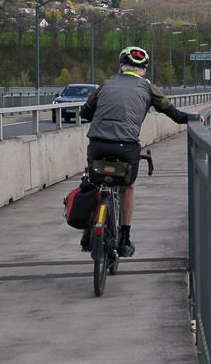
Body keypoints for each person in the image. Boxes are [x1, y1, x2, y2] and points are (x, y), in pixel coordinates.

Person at [79, 45, 193, 257]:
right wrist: (192, 118)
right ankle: (124, 237)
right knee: (127, 187)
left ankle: (89, 230)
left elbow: (84, 112)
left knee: (93, 181)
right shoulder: (147, 87)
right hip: (126, 146)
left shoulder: (107, 84)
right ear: (143, 69)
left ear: (121, 65)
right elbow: (174, 114)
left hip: (97, 144)